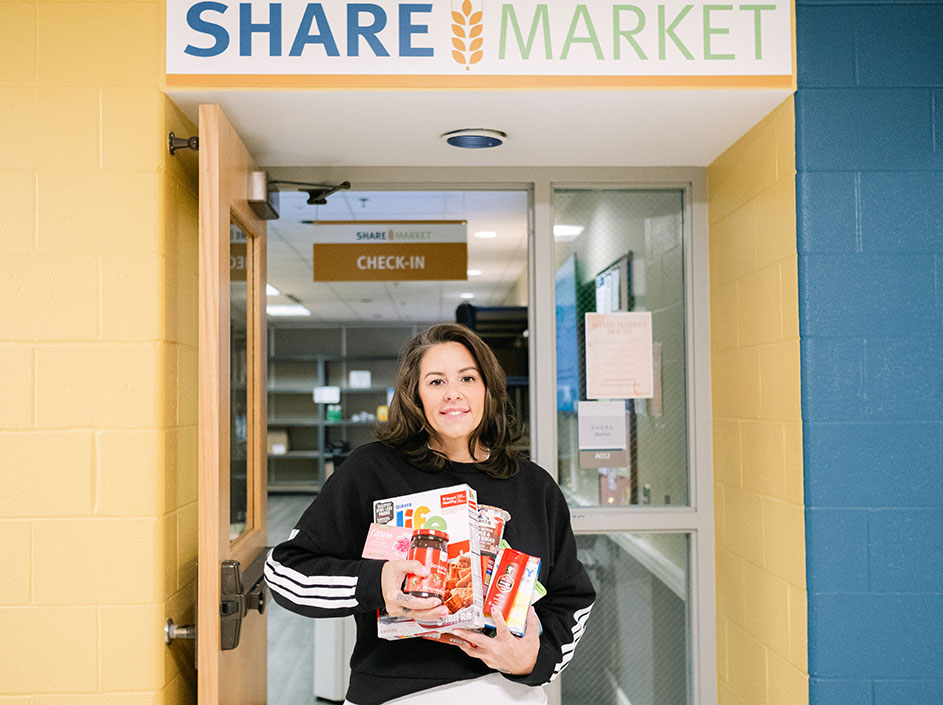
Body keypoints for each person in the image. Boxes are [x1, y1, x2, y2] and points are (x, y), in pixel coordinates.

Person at [264, 323, 595, 705]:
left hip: (512, 693)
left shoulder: (533, 486)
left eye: (467, 378)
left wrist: (536, 658)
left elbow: (573, 596)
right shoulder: (372, 472)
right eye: (436, 382)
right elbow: (284, 572)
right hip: (396, 694)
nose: (453, 393)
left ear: (487, 389)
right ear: (415, 396)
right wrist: (377, 581)